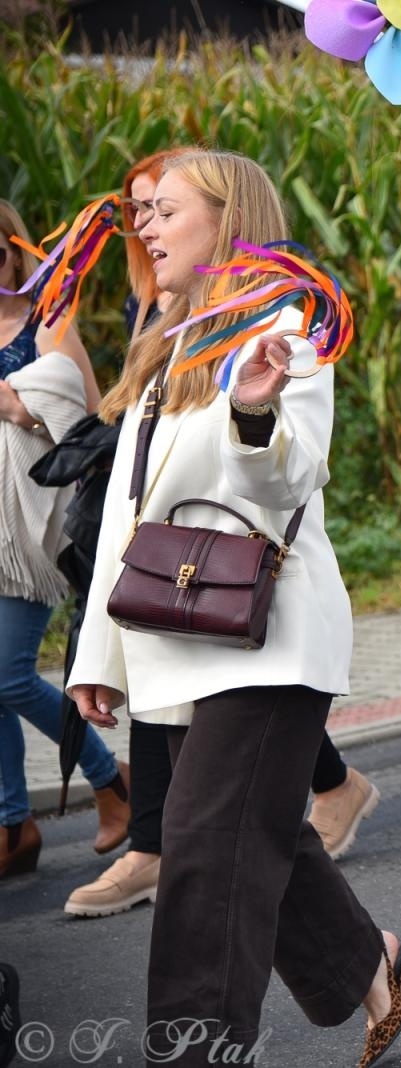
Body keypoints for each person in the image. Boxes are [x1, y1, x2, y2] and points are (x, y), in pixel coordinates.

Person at [66, 149, 401, 1065]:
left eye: (164, 209)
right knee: (256, 839)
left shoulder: (282, 325)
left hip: (267, 637)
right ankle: (365, 961)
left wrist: (255, 413)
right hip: (175, 634)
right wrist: (96, 658)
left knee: (202, 857)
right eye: (140, 211)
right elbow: (127, 514)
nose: (143, 225)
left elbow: (288, 478)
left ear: (227, 221)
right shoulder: (169, 338)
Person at [0, 198, 128, 881]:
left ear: (18, 253)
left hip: (32, 532)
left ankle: (114, 781)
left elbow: (93, 423)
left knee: (9, 674)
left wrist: (17, 404)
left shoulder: (47, 325)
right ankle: (12, 825)